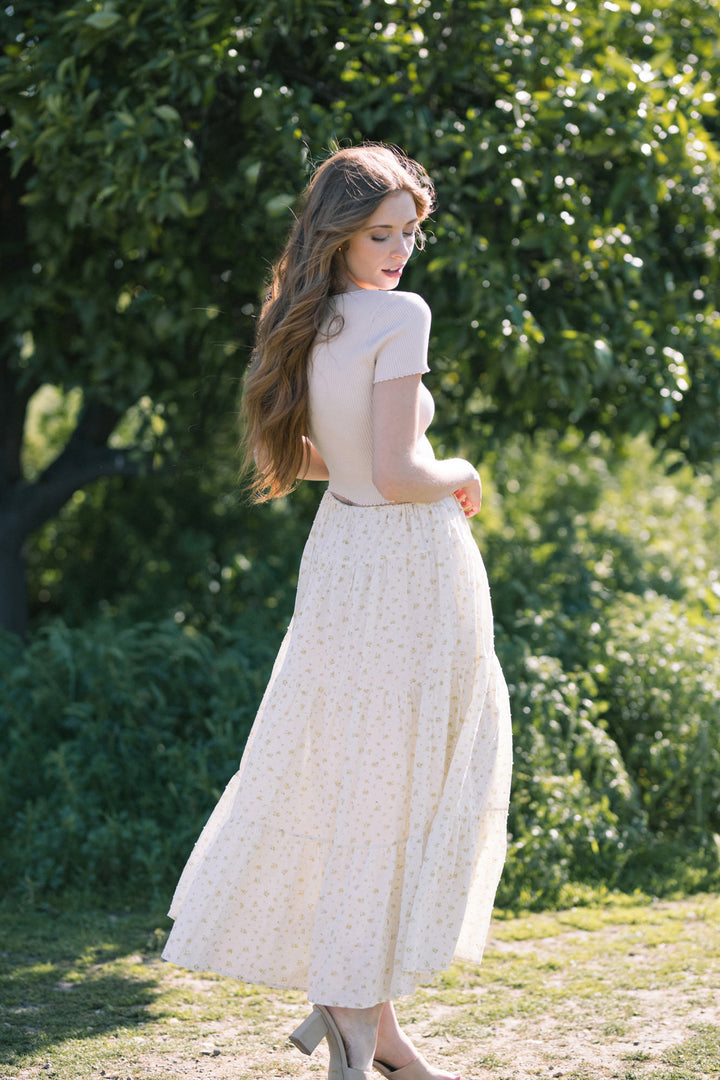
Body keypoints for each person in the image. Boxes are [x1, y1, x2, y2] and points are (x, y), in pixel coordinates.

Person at [162, 143, 513, 1080]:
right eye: (380, 235)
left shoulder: (307, 316)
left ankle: (367, 1016)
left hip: (343, 556)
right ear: (339, 234)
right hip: (404, 559)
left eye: (409, 233)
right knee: (403, 778)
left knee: (364, 779)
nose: (399, 252)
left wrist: (381, 470)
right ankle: (358, 1011)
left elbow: (305, 459)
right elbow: (400, 473)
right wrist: (463, 470)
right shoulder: (401, 316)